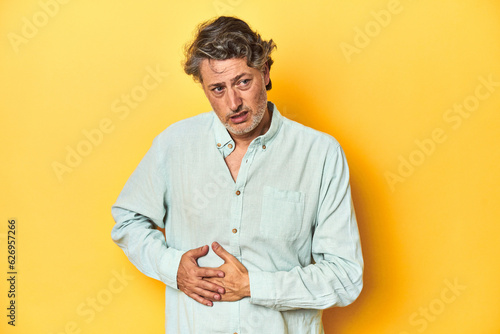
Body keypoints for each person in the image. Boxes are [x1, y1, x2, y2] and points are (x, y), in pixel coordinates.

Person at [111, 16, 363, 334]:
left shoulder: (320, 154)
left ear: (266, 72)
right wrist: (172, 268)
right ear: (204, 89)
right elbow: (127, 220)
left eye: (243, 82)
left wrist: (253, 286)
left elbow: (345, 276)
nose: (233, 103)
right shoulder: (173, 145)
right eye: (218, 88)